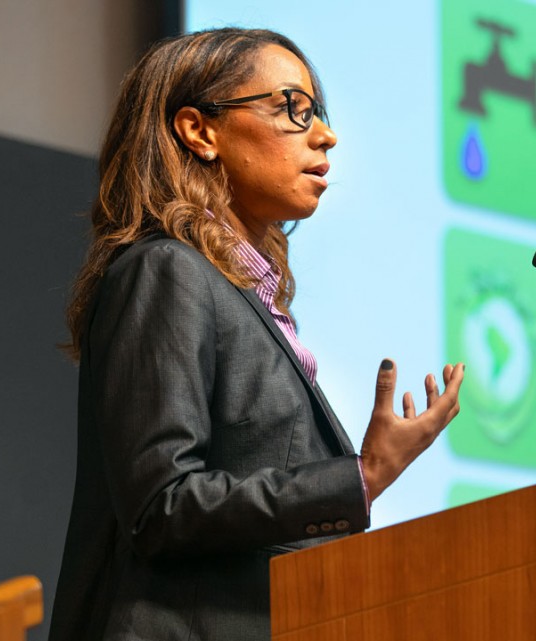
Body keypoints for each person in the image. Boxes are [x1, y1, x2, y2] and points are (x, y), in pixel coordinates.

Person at [48, 28, 465, 641]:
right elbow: (164, 506)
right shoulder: (165, 270)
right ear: (199, 130)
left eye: (318, 111)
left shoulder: (247, 295)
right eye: (293, 108)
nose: (325, 134)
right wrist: (361, 476)